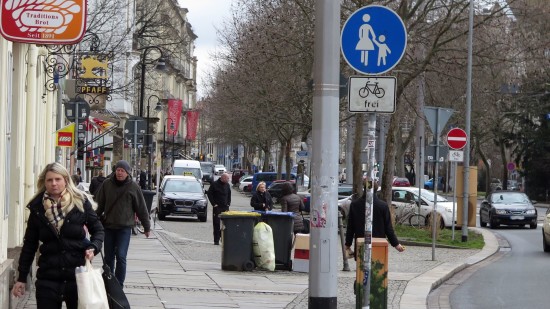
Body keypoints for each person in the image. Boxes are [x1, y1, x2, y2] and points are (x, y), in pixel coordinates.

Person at [11, 162, 104, 308]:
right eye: (49, 180)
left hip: (77, 277)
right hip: (48, 278)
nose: (54, 183)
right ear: (44, 182)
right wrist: (21, 278)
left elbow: (98, 229)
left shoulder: (80, 202)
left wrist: (94, 247)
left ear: (65, 180)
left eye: (57, 179)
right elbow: (29, 244)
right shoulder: (38, 208)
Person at [95, 160, 151, 286]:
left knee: (121, 256)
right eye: (118, 170)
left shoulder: (133, 187)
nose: (119, 173)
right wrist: (92, 220)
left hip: (124, 228)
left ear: (127, 173)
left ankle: (119, 285)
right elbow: (98, 205)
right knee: (108, 258)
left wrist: (147, 227)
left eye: (122, 171)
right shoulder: (107, 184)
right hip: (109, 226)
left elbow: (141, 208)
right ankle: (110, 283)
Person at [345, 181, 405, 258]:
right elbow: (388, 228)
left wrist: (347, 244)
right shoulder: (383, 206)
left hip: (361, 244)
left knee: (361, 268)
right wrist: (396, 244)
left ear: (364, 188)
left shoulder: (355, 205)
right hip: (378, 244)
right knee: (377, 266)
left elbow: (350, 227)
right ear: (376, 190)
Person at [207, 172, 231, 245]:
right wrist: (214, 204)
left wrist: (228, 203)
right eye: (227, 178)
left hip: (225, 207)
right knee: (217, 223)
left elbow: (229, 194)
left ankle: (222, 236)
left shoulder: (227, 185)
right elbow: (209, 194)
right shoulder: (214, 184)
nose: (228, 180)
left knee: (226, 223)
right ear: (223, 178)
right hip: (217, 207)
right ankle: (216, 240)